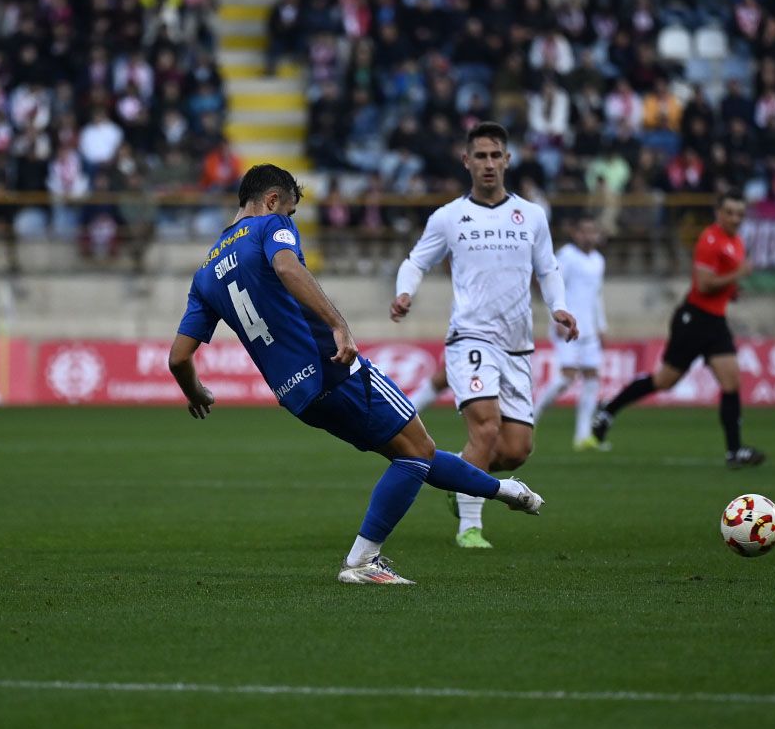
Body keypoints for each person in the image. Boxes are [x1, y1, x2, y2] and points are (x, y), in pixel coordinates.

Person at [168, 164, 546, 586]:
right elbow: (289, 268)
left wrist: (196, 391)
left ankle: (504, 491)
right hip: (334, 368)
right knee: (416, 451)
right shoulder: (268, 227)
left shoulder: (205, 273)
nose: (289, 221)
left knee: (411, 452)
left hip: (299, 397)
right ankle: (362, 560)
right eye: (290, 212)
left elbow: (178, 358)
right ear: (273, 201)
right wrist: (339, 325)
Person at [391, 121, 578, 549]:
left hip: (517, 345)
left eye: (496, 155)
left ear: (508, 160)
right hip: (469, 339)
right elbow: (415, 262)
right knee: (486, 430)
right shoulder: (450, 217)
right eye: (481, 156)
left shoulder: (531, 216)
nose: (489, 164)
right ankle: (469, 528)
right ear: (466, 161)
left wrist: (560, 307)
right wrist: (405, 293)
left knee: (515, 450)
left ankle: (460, 478)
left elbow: (547, 269)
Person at [591, 191, 765, 469]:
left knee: (732, 382)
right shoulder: (710, 240)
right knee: (664, 381)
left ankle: (734, 451)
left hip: (715, 322)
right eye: (730, 212)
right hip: (693, 320)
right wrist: (738, 275)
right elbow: (705, 284)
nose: (735, 218)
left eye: (740, 214)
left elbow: (720, 284)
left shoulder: (737, 242)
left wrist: (733, 290)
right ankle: (608, 410)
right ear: (718, 212)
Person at [530, 214, 609, 451]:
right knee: (567, 377)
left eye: (592, 231)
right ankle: (530, 419)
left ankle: (582, 436)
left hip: (589, 330)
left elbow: (597, 296)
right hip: (566, 326)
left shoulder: (598, 260)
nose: (588, 235)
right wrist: (554, 314)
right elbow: (550, 284)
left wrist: (601, 325)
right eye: (584, 231)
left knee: (592, 377)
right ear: (575, 233)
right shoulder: (567, 256)